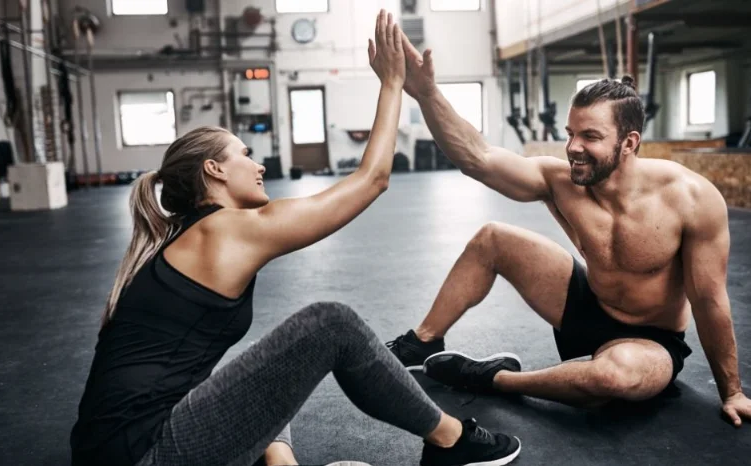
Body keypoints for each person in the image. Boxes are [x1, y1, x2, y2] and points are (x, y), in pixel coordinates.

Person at [69, 11, 522, 466]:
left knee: (267, 364)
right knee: (330, 324)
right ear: (215, 169)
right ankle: (451, 440)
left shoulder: (185, 236)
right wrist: (392, 84)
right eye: (244, 155)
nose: (258, 164)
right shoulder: (223, 231)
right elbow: (372, 180)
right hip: (143, 454)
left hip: (119, 448)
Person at [386, 31, 751, 426]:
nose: (573, 147)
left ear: (629, 142)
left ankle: (492, 377)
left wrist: (732, 392)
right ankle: (423, 341)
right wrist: (426, 94)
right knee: (493, 238)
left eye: (591, 136)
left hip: (648, 340)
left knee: (611, 378)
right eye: (571, 134)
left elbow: (709, 300)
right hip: (584, 306)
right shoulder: (561, 180)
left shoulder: (690, 199)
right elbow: (477, 158)